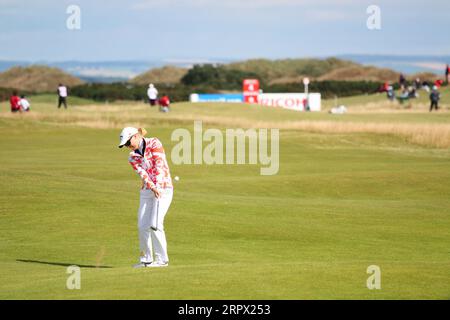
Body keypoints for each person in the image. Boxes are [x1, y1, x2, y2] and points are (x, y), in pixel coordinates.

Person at [118, 127, 173, 268]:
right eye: (125, 144)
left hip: (164, 188)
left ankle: (162, 260)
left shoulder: (154, 143)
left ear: (135, 136)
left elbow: (159, 165)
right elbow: (143, 174)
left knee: (155, 224)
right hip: (148, 191)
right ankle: (146, 259)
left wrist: (158, 187)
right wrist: (152, 187)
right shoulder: (132, 157)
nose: (127, 146)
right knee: (142, 225)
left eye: (128, 142)